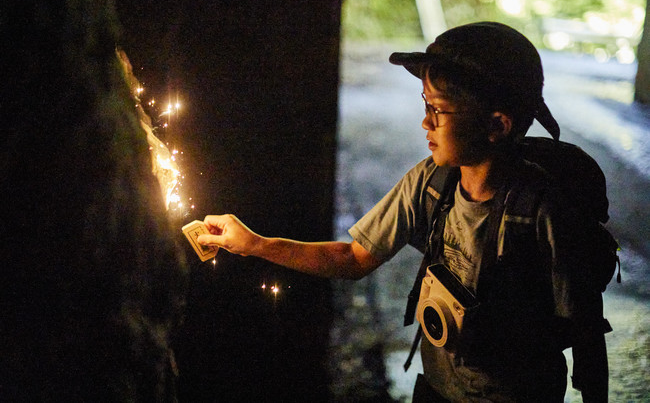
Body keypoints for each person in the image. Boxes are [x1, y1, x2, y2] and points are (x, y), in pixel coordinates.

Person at [198, 22, 609, 402]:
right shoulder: (430, 183)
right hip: (436, 392)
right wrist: (254, 244)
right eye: (425, 104)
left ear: (497, 126)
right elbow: (353, 257)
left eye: (439, 109)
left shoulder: (540, 210)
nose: (425, 122)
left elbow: (586, 331)